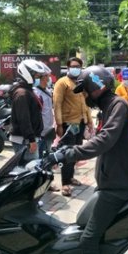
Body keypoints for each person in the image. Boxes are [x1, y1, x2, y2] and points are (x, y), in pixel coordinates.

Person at [48, 65, 128, 254]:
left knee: (88, 238)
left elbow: (104, 140)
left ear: (97, 85)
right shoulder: (109, 107)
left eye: (85, 89)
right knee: (81, 224)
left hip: (118, 187)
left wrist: (69, 154)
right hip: (109, 185)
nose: (83, 95)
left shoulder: (119, 105)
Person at [53, 57, 93, 197]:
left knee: (75, 154)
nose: (76, 68)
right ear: (68, 67)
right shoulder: (62, 83)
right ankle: (65, 184)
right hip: (68, 124)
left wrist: (90, 122)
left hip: (80, 123)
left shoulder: (81, 83)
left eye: (78, 66)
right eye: (73, 66)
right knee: (66, 155)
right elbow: (57, 104)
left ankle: (70, 177)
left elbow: (86, 103)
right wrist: (59, 124)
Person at [9, 59, 48, 161]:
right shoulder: (22, 93)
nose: (38, 78)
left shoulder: (28, 90)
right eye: (37, 76)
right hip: (24, 140)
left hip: (28, 138)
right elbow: (24, 119)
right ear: (27, 74)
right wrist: (31, 139)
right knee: (28, 170)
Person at [34, 67, 60, 193]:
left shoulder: (48, 91)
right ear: (40, 78)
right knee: (38, 160)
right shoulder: (36, 93)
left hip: (48, 130)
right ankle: (38, 185)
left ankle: (47, 183)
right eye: (46, 77)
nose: (48, 79)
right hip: (40, 132)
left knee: (47, 158)